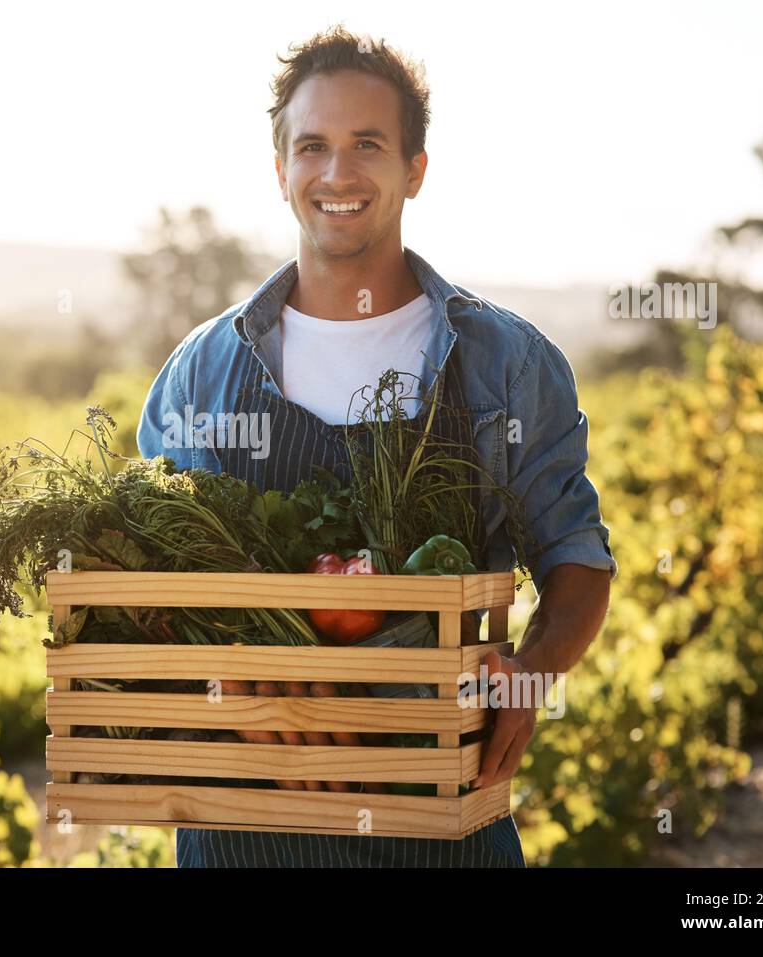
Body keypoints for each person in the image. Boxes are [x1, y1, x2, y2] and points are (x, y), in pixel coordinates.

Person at [136, 24, 617, 868]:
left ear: (414, 169)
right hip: (241, 825)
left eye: (368, 144)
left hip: (441, 826)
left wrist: (531, 672)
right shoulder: (201, 374)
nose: (337, 173)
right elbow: (143, 583)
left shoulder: (507, 364)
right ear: (280, 170)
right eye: (312, 146)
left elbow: (577, 562)